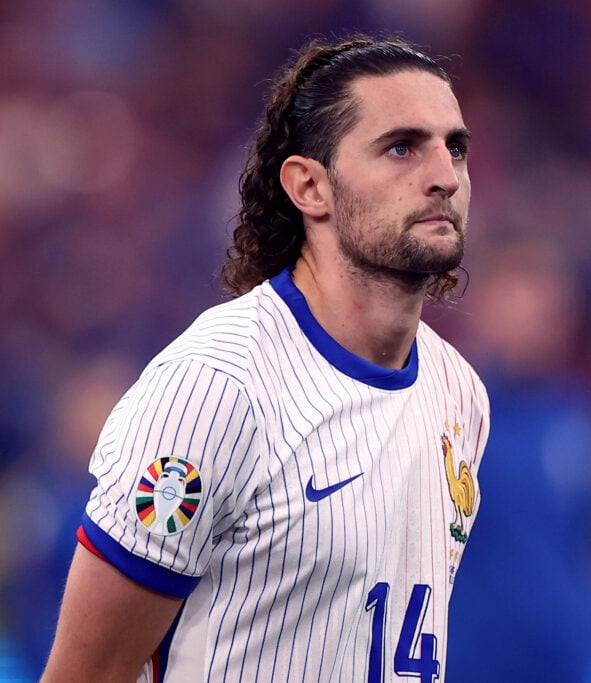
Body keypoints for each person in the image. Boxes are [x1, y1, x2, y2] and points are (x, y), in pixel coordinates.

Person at [42, 35, 489, 682]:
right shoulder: (215, 389)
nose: (445, 175)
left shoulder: (461, 396)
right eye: (401, 147)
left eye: (456, 147)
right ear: (310, 186)